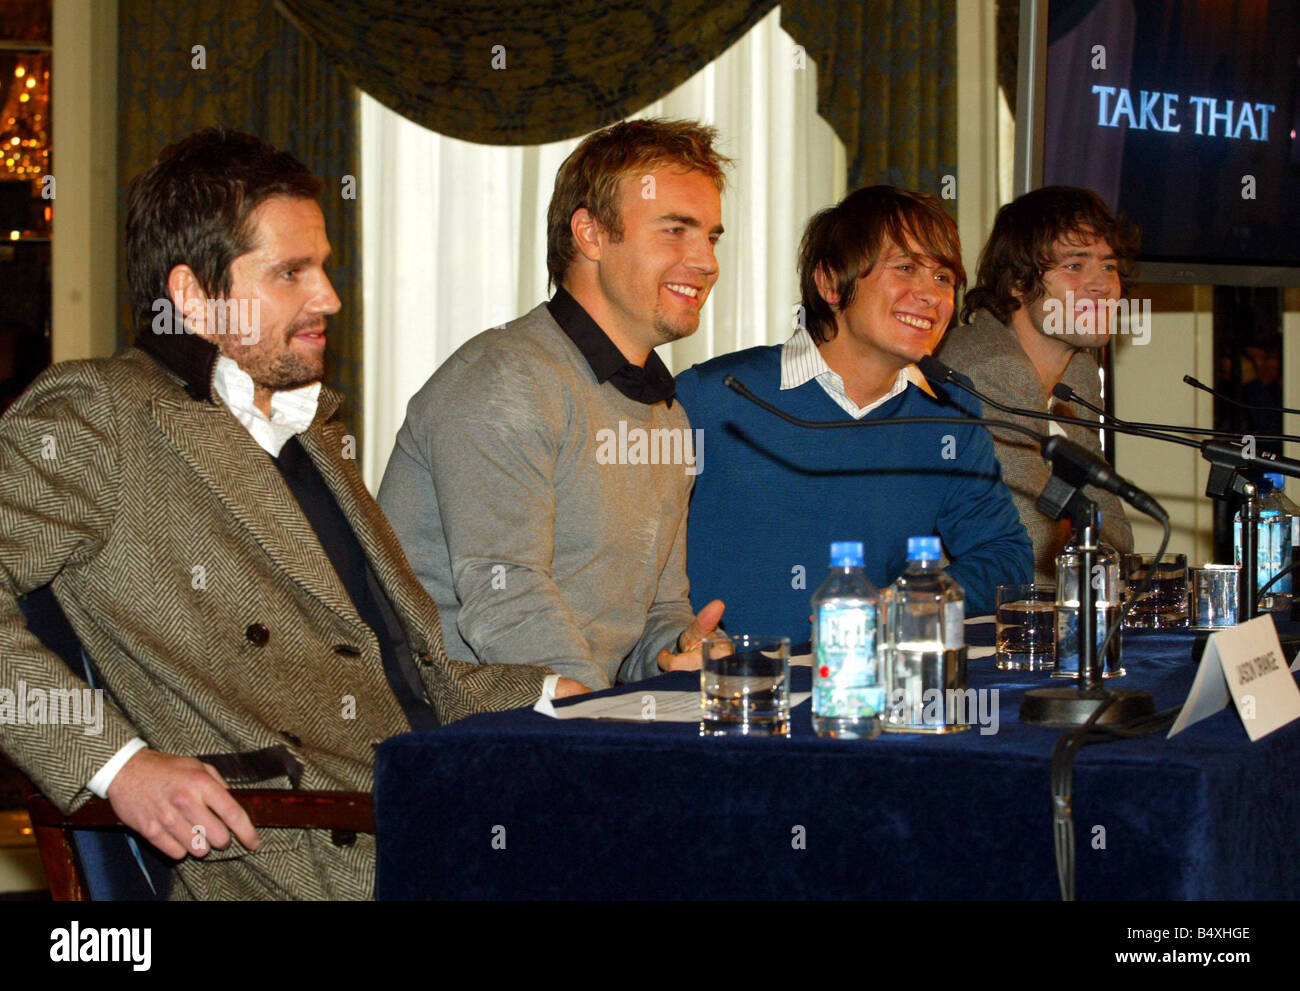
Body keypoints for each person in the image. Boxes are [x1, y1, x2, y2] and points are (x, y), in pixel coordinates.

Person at [0, 128, 580, 900]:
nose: (329, 298)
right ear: (191, 295)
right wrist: (119, 766)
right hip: (302, 859)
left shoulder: (311, 436)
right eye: (290, 273)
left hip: (435, 816)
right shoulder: (99, 417)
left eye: (324, 269)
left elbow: (403, 683)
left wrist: (565, 695)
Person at [378, 119, 729, 691]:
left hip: (571, 725)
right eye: (675, 231)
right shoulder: (505, 379)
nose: (706, 261)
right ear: (590, 235)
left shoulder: (666, 412)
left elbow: (655, 611)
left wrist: (679, 647)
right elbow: (505, 594)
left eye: (711, 237)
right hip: (449, 740)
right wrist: (598, 731)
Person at [675, 185, 1031, 639]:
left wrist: (912, 602)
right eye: (906, 268)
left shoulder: (950, 412)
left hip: (864, 687)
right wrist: (670, 637)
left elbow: (1004, 556)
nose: (931, 296)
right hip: (730, 687)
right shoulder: (713, 396)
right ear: (830, 284)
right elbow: (633, 555)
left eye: (943, 278)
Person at [939, 185, 1136, 580]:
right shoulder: (983, 367)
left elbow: (1117, 532)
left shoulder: (1078, 372)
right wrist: (1084, 542)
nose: (1101, 285)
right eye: (1074, 266)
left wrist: (1084, 540)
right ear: (1018, 282)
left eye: (1109, 266)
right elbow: (1031, 544)